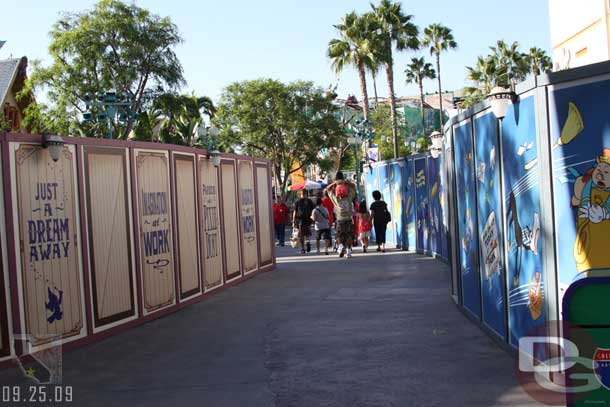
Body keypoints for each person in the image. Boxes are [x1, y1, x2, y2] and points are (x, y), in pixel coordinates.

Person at [326, 171, 357, 258]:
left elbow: (327, 189)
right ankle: (348, 251)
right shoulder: (349, 196)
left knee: (339, 235)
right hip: (348, 219)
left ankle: (340, 246)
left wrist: (335, 183)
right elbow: (354, 186)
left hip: (339, 220)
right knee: (349, 236)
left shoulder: (335, 198)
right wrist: (345, 182)